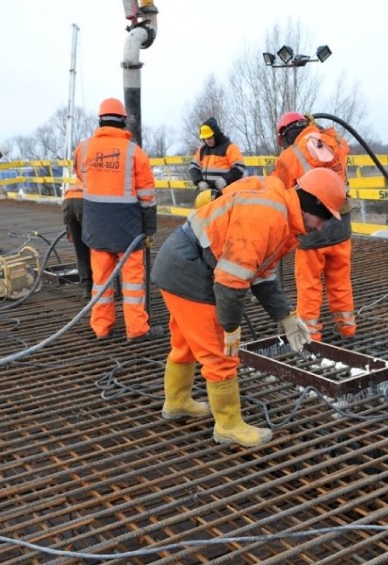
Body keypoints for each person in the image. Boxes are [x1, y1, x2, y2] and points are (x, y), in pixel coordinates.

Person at [152, 168, 347, 447]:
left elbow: (262, 275)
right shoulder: (267, 217)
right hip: (190, 271)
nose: (320, 226)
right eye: (323, 216)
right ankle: (228, 426)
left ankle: (177, 401)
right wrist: (230, 328)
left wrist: (286, 317)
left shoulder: (280, 212)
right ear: (311, 203)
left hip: (182, 264)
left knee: (187, 343)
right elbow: (231, 280)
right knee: (221, 354)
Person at [76, 97, 163, 341]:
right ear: (123, 121)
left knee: (101, 280)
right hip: (127, 229)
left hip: (96, 227)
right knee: (133, 282)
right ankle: (136, 329)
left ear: (101, 120)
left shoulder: (83, 148)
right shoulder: (135, 153)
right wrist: (150, 230)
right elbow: (147, 196)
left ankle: (101, 328)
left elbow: (81, 175)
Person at [272, 112, 355, 342]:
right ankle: (348, 330)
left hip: (311, 230)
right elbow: (342, 141)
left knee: (309, 286)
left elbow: (278, 191)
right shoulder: (333, 141)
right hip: (341, 224)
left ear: (286, 135)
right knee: (340, 281)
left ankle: (311, 338)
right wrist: (315, 125)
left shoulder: (289, 157)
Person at [189, 117, 245, 202]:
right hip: (208, 195)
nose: (207, 141)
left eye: (209, 138)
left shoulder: (230, 147)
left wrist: (225, 179)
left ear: (216, 135)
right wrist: (199, 181)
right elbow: (193, 167)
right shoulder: (202, 150)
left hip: (227, 195)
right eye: (205, 139)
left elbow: (239, 167)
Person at [62, 179, 93, 300]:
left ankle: (86, 289)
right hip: (84, 202)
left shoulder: (81, 176)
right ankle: (100, 287)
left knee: (81, 252)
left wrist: (70, 229)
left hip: (68, 202)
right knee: (95, 249)